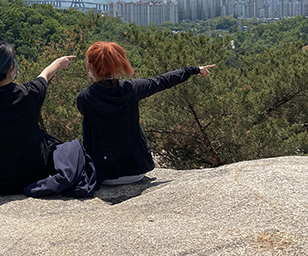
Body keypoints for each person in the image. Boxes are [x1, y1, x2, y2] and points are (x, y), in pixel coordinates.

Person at [76, 41, 215, 186]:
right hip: (136, 171)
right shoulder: (133, 89)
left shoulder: (85, 97)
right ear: (119, 64)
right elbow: (162, 81)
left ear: (91, 66)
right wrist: (193, 69)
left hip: (103, 174)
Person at [0, 41, 75, 195]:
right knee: (45, 138)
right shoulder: (29, 93)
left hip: (1, 183)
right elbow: (44, 76)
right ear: (11, 67)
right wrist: (57, 63)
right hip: (37, 173)